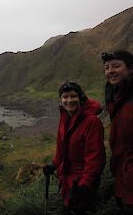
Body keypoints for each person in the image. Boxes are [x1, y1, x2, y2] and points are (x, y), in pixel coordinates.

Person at [43, 82, 106, 215]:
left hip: (83, 182)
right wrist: (54, 165)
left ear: (81, 98)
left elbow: (94, 158)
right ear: (61, 99)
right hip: (67, 181)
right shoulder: (65, 118)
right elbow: (61, 148)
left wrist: (84, 185)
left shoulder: (92, 122)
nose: (69, 100)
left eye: (73, 96)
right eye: (65, 97)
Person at [101, 50, 133, 214]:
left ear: (130, 69)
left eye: (116, 66)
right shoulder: (115, 100)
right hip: (122, 181)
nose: (110, 71)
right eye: (107, 67)